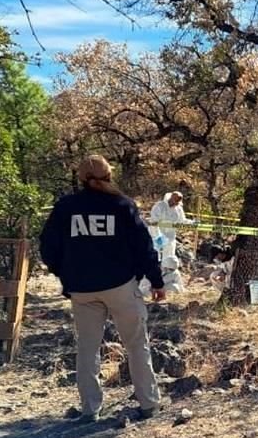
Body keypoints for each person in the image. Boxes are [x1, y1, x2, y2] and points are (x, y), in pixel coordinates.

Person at [39, 155, 165, 422]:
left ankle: (90, 409)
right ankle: (149, 403)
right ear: (109, 175)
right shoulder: (122, 205)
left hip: (82, 290)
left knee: (87, 349)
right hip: (120, 286)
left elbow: (47, 248)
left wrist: (66, 275)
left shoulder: (65, 207)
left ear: (81, 178)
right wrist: (156, 281)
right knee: (136, 344)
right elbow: (144, 247)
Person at [148, 191, 193, 259]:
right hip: (157, 236)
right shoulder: (159, 206)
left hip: (170, 238)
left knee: (169, 260)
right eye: (176, 201)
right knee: (155, 257)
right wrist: (157, 236)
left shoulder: (178, 209)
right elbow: (153, 222)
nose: (176, 203)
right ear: (171, 198)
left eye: (178, 201)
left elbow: (182, 221)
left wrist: (193, 223)